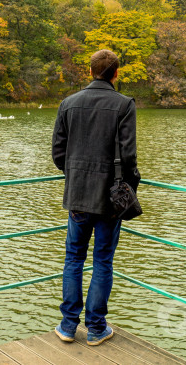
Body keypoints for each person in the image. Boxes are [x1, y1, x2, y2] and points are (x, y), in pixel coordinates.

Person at [51, 49, 141, 346]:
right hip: (109, 199)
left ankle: (67, 326)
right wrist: (131, 186)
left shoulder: (68, 104)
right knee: (102, 261)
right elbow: (128, 158)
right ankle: (96, 328)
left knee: (74, 258)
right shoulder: (124, 104)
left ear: (90, 71)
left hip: (77, 195)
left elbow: (58, 154)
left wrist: (77, 175)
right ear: (116, 73)